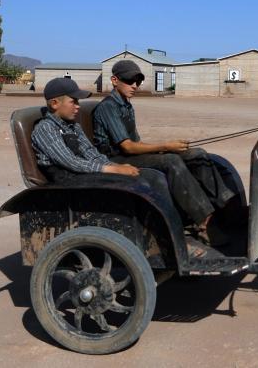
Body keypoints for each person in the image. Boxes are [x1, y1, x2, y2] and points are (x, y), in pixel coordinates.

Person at [92, 60, 233, 246]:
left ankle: (226, 207)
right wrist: (166, 147)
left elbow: (137, 143)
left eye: (138, 81)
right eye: (129, 81)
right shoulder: (108, 107)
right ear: (114, 80)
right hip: (115, 159)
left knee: (197, 153)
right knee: (171, 161)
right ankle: (204, 223)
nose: (135, 86)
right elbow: (127, 147)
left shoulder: (126, 105)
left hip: (129, 153)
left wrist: (167, 147)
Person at [30, 77, 160, 189]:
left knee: (147, 177)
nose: (77, 106)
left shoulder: (73, 126)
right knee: (130, 184)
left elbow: (90, 153)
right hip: (66, 181)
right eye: (73, 101)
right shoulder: (45, 129)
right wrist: (113, 170)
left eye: (78, 102)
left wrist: (115, 165)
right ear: (54, 104)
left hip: (82, 174)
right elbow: (69, 161)